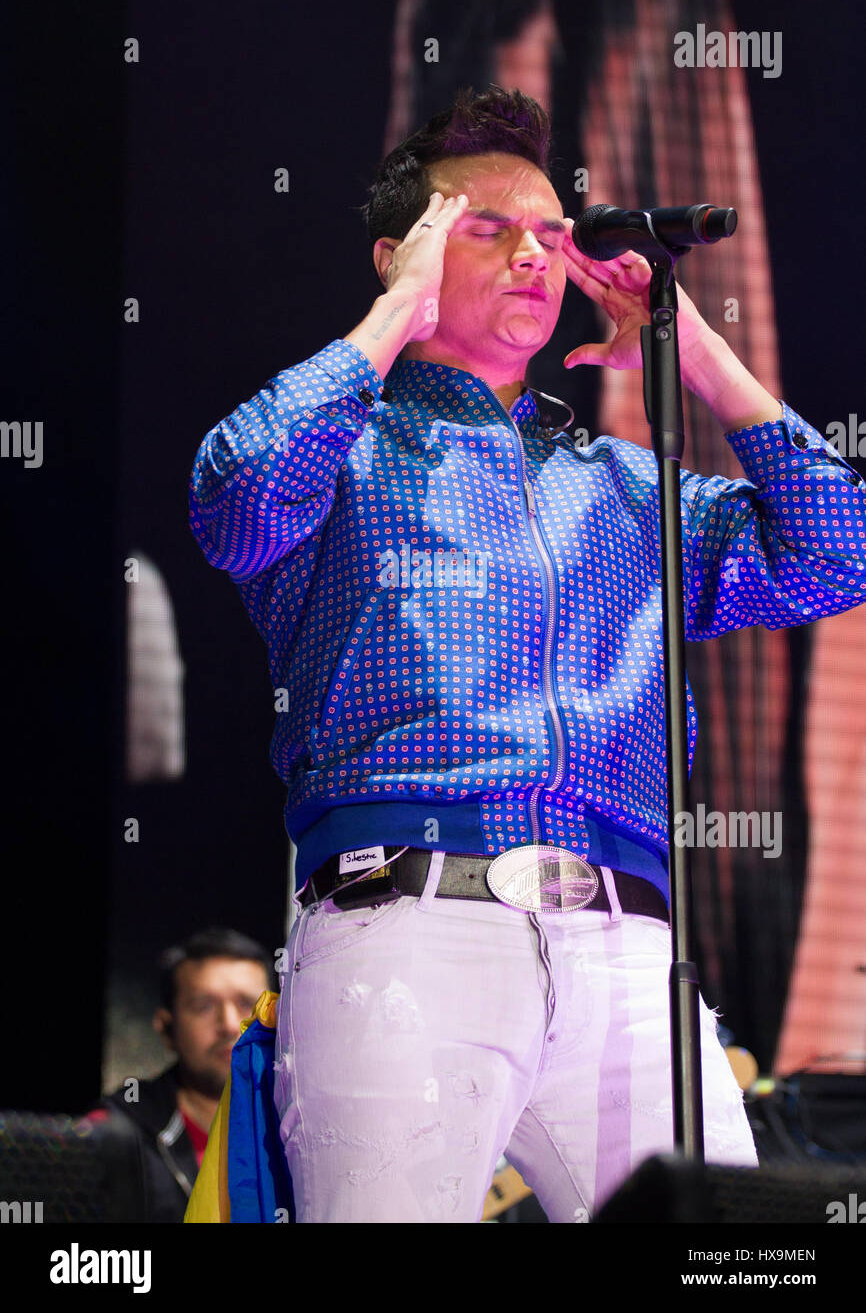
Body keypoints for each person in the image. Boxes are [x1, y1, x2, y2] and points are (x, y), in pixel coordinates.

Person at [188, 86, 866, 1222]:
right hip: (404, 926)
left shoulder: (618, 485)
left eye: (550, 234)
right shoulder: (343, 452)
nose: (531, 256)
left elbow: (836, 554)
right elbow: (237, 493)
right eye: (483, 229)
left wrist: (693, 353)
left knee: (738, 1253)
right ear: (398, 254)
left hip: (630, 946)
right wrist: (391, 318)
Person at [95, 927, 271, 1222]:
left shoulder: (300, 1128)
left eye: (247, 1005)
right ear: (167, 1028)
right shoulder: (116, 1133)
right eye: (203, 1006)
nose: (229, 1024)